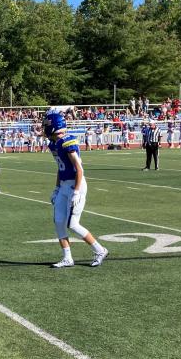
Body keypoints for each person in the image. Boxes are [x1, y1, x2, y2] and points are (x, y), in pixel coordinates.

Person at [42, 110, 109, 268]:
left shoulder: (67, 142)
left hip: (75, 185)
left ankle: (100, 250)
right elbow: (61, 168)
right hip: (64, 186)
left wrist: (77, 191)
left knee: (72, 224)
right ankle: (67, 258)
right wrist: (57, 188)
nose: (44, 127)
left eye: (46, 125)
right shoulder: (53, 143)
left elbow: (79, 169)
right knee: (59, 221)